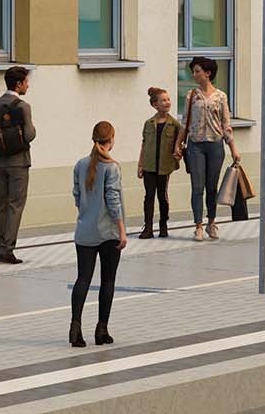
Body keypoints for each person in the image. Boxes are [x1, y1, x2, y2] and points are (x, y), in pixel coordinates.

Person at [70, 121, 126, 348]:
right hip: (108, 232)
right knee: (108, 280)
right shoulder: (112, 167)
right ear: (111, 140)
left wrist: (86, 212)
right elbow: (113, 200)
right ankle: (101, 329)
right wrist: (122, 229)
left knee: (82, 279)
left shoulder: (80, 164)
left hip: (84, 230)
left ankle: (75, 326)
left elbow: (76, 195)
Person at [0, 64, 36, 264]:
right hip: (19, 163)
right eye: (26, 82)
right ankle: (8, 249)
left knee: (0, 205)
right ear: (18, 84)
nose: (28, 86)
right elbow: (29, 135)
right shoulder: (23, 107)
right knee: (15, 205)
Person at [182, 58, 235, 242]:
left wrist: (234, 149)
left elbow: (226, 125)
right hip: (195, 145)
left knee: (212, 188)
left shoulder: (221, 96)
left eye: (197, 71)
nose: (194, 75)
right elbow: (184, 123)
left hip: (215, 145)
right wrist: (178, 146)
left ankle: (211, 222)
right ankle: (197, 225)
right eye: (193, 71)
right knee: (197, 187)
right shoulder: (191, 96)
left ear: (208, 73)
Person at [136, 87, 183, 241]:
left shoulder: (174, 124)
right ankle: (148, 227)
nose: (167, 102)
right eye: (163, 100)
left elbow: (179, 143)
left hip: (165, 166)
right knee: (148, 196)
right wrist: (140, 165)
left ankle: (163, 225)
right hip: (149, 165)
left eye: (168, 99)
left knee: (162, 196)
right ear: (155, 105)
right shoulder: (148, 123)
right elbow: (144, 144)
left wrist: (179, 153)